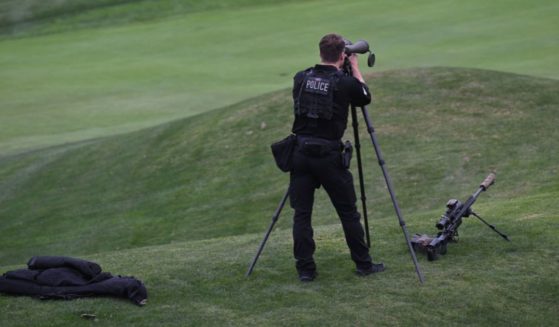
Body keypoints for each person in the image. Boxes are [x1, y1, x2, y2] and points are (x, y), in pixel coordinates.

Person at [289, 33, 385, 282]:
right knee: (348, 213)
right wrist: (354, 67)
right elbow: (364, 96)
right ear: (343, 54)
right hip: (329, 156)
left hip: (299, 153)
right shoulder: (344, 82)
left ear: (321, 52)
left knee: (302, 214)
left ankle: (305, 271)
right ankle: (363, 264)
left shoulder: (301, 77)